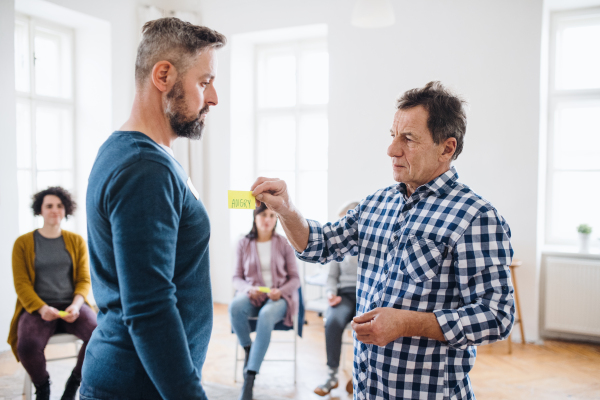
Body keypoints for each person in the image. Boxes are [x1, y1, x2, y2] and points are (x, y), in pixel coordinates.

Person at [251, 81, 515, 400]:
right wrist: (286, 209)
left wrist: (407, 323)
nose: (392, 150)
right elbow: (317, 244)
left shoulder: (476, 217)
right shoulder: (377, 203)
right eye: (393, 136)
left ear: (447, 148)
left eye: (409, 139)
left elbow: (497, 316)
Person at [82, 18, 226, 400]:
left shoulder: (140, 154)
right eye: (204, 82)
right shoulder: (145, 170)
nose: (213, 99)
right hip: (137, 385)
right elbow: (149, 310)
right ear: (163, 75)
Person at [8, 187, 96, 400]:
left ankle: (74, 383)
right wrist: (41, 308)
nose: (55, 210)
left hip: (71, 306)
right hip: (38, 308)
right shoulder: (23, 243)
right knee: (26, 345)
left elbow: (84, 280)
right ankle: (43, 387)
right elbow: (22, 285)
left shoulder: (76, 241)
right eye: (49, 206)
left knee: (99, 335)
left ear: (66, 210)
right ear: (40, 210)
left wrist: (76, 305)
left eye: (60, 205)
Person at [229, 203, 300, 400]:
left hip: (279, 297)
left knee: (266, 314)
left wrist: (282, 291)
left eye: (271, 215)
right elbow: (236, 277)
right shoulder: (243, 243)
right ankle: (248, 348)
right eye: (263, 215)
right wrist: (247, 289)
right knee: (234, 307)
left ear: (276, 218)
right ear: (255, 217)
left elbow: (295, 279)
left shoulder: (285, 243)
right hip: (253, 294)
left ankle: (249, 377)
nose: (267, 219)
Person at [314, 201, 359, 397]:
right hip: (344, 295)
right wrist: (330, 293)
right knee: (332, 321)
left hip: (367, 295)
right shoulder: (340, 246)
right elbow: (331, 277)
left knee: (367, 326)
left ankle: (359, 376)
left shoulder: (374, 243)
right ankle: (332, 375)